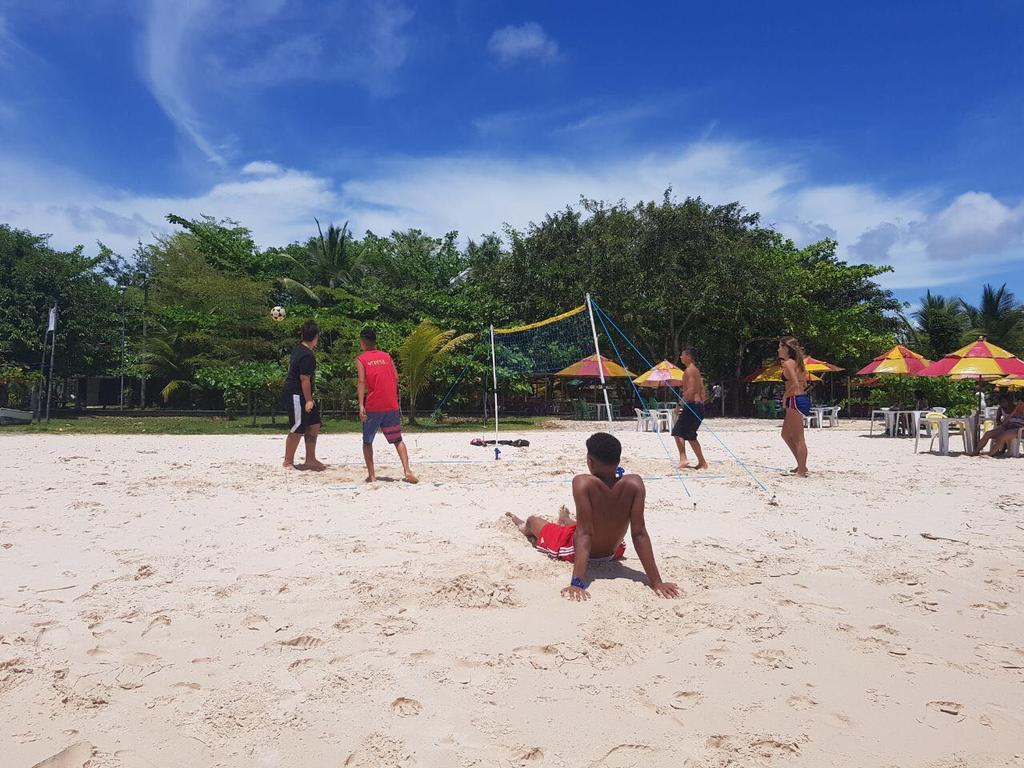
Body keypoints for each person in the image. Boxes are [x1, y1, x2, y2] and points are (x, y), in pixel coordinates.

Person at [506, 432, 680, 601]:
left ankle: (521, 524)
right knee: (578, 525)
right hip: (614, 550)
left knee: (533, 521)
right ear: (618, 460)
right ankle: (565, 519)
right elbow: (639, 533)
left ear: (590, 461)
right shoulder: (635, 484)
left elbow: (585, 534)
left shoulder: (583, 483)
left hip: (577, 550)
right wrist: (657, 582)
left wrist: (577, 583)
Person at [356, 327, 418, 484]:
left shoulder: (361, 359)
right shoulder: (387, 356)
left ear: (362, 343)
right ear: (375, 342)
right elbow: (396, 378)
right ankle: (407, 470)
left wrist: (361, 405)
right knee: (397, 440)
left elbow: (362, 381)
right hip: (391, 404)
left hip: (374, 406)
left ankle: (372, 476)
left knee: (367, 441)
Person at [282, 320, 325, 470]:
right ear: (316, 337)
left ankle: (310, 459)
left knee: (314, 424)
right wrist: (308, 400)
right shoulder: (307, 355)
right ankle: (288, 461)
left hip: (302, 394)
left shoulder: (299, 349)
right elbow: (304, 379)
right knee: (298, 427)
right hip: (296, 394)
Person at [672, 348, 708, 470]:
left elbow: (691, 390)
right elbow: (703, 391)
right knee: (690, 436)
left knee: (677, 432)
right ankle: (702, 462)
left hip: (693, 405)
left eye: (682, 355)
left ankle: (683, 459)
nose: (680, 357)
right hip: (697, 406)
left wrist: (680, 405)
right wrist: (701, 403)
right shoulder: (696, 371)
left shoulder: (689, 371)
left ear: (688, 356)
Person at [779, 336, 810, 477]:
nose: (778, 349)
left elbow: (795, 384)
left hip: (795, 399)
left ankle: (802, 470)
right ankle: (801, 465)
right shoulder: (799, 363)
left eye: (780, 346)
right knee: (785, 434)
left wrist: (785, 397)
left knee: (799, 438)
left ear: (786, 348)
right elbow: (802, 383)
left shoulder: (788, 364)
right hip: (800, 398)